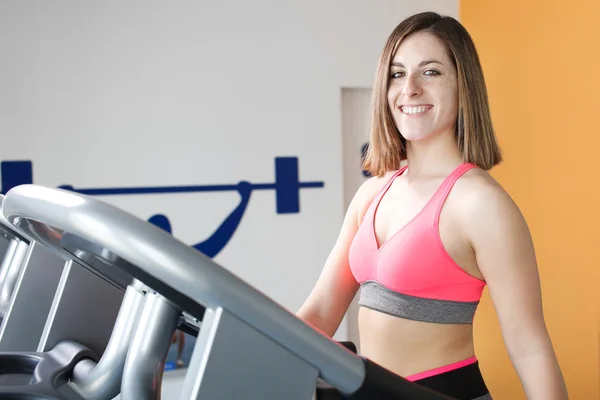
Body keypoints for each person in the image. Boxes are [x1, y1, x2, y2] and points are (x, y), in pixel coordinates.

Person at [296, 11, 568, 400]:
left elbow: (529, 347)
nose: (409, 88)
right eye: (397, 73)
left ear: (463, 85)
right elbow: (320, 313)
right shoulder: (373, 193)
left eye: (431, 72)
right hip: (366, 390)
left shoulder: (480, 203)